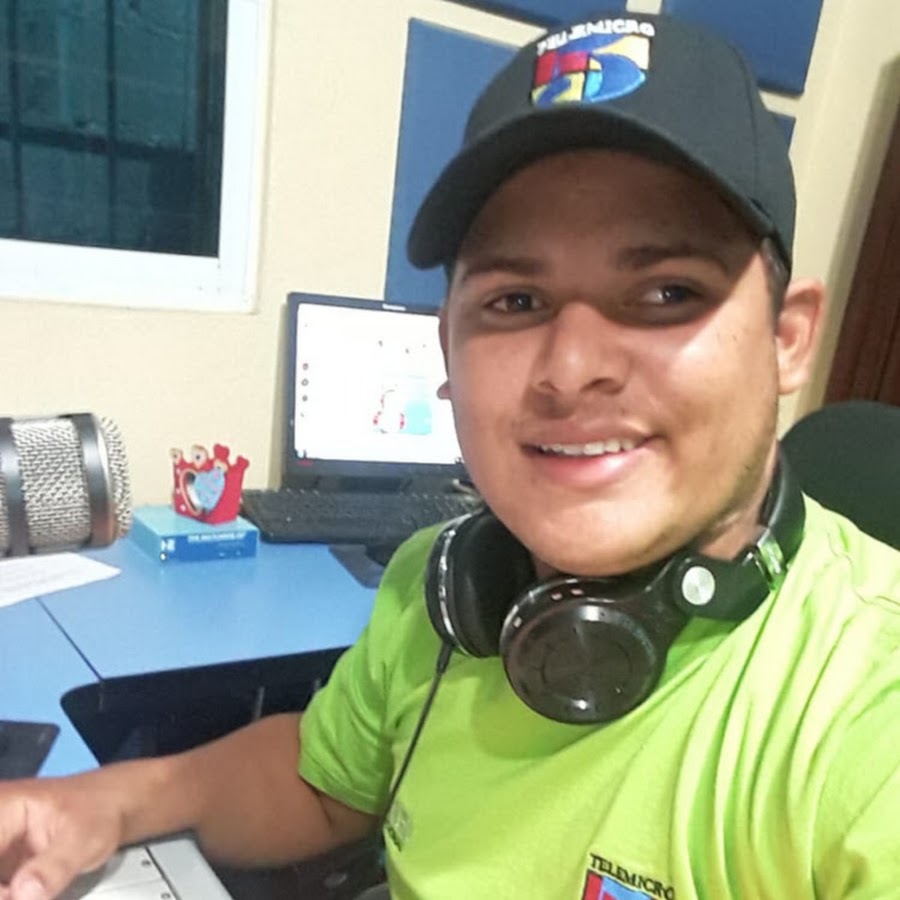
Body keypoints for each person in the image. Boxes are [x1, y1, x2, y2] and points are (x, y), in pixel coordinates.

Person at [2, 10, 898, 900]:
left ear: (787, 339)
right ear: (447, 348)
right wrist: (107, 802)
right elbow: (324, 785)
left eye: (667, 292)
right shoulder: (438, 584)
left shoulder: (870, 717)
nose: (571, 367)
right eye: (516, 302)